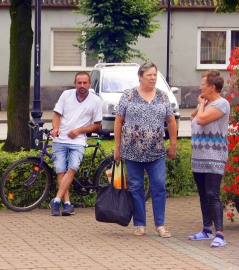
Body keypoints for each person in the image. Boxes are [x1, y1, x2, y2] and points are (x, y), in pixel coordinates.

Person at [114, 61, 177, 237]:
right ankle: (140, 224)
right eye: (149, 75)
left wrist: (173, 144)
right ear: (140, 76)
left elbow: (171, 121)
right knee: (136, 187)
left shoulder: (163, 96)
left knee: (159, 186)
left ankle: (160, 225)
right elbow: (118, 121)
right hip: (132, 151)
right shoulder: (128, 96)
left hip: (156, 151)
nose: (153, 78)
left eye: (155, 75)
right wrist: (117, 147)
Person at [49, 71, 103, 216]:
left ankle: (55, 201)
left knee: (72, 169)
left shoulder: (96, 101)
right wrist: (55, 128)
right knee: (61, 171)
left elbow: (97, 125)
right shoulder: (66, 95)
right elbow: (57, 115)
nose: (82, 85)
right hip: (60, 139)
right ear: (75, 84)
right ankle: (67, 204)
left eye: (85, 83)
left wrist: (80, 130)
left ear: (90, 84)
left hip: (78, 141)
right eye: (79, 83)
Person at [188, 70, 230, 247]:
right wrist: (201, 105)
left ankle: (219, 234)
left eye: (203, 84)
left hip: (214, 157)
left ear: (212, 87)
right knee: (203, 195)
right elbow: (193, 116)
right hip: (199, 156)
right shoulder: (205, 103)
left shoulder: (222, 104)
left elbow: (201, 119)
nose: (200, 87)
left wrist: (201, 105)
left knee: (212, 194)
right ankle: (206, 229)